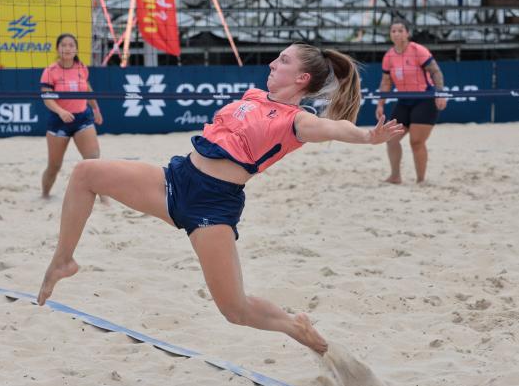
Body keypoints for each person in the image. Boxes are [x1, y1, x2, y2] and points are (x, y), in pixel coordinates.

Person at [36, 43, 405, 353]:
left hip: (212, 207)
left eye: (284, 61)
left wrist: (367, 138)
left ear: (302, 79)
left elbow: (335, 127)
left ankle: (297, 327)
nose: (273, 63)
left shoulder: (297, 121)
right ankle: (63, 261)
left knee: (234, 309)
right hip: (176, 179)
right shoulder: (255, 96)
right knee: (86, 173)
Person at [375, 18, 447, 184]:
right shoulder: (389, 56)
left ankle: (421, 180)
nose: (397, 33)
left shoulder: (418, 50)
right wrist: (380, 104)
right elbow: (386, 82)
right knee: (391, 139)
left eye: (401, 30)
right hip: (404, 100)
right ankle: (395, 176)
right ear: (390, 34)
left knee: (416, 141)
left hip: (425, 99)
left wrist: (440, 93)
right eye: (393, 31)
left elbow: (436, 72)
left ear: (407, 33)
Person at [40, 33, 104, 198]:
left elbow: (87, 90)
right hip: (59, 122)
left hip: (82, 118)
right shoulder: (50, 71)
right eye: (64, 45)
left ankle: (104, 197)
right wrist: (61, 111)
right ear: (57, 49)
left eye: (71, 45)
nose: (67, 48)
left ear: (76, 49)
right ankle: (45, 194)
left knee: (94, 160)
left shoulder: (81, 67)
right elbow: (47, 98)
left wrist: (96, 109)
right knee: (54, 166)